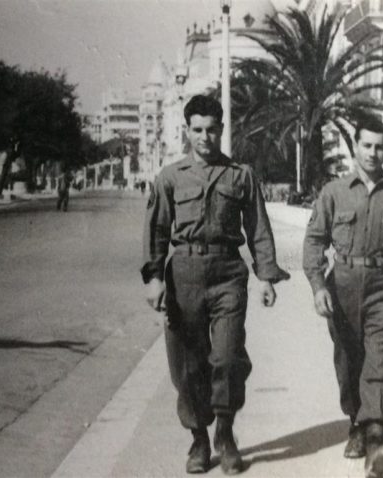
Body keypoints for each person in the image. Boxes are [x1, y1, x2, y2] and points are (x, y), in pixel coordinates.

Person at [141, 95, 289, 475]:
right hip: (184, 273)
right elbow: (157, 229)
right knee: (187, 365)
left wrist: (266, 276)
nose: (205, 137)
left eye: (212, 129)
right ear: (187, 131)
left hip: (227, 273)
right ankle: (199, 440)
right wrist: (155, 277)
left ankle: (225, 432)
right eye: (197, 130)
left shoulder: (241, 175)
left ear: (222, 130)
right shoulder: (170, 176)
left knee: (227, 357)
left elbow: (258, 228)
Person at [303, 117, 383, 478]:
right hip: (342, 286)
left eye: (380, 146)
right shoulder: (334, 192)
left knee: (379, 364)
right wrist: (318, 287)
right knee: (348, 363)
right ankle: (356, 422)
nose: (373, 152)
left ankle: (376, 443)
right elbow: (314, 241)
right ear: (355, 145)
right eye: (366, 145)